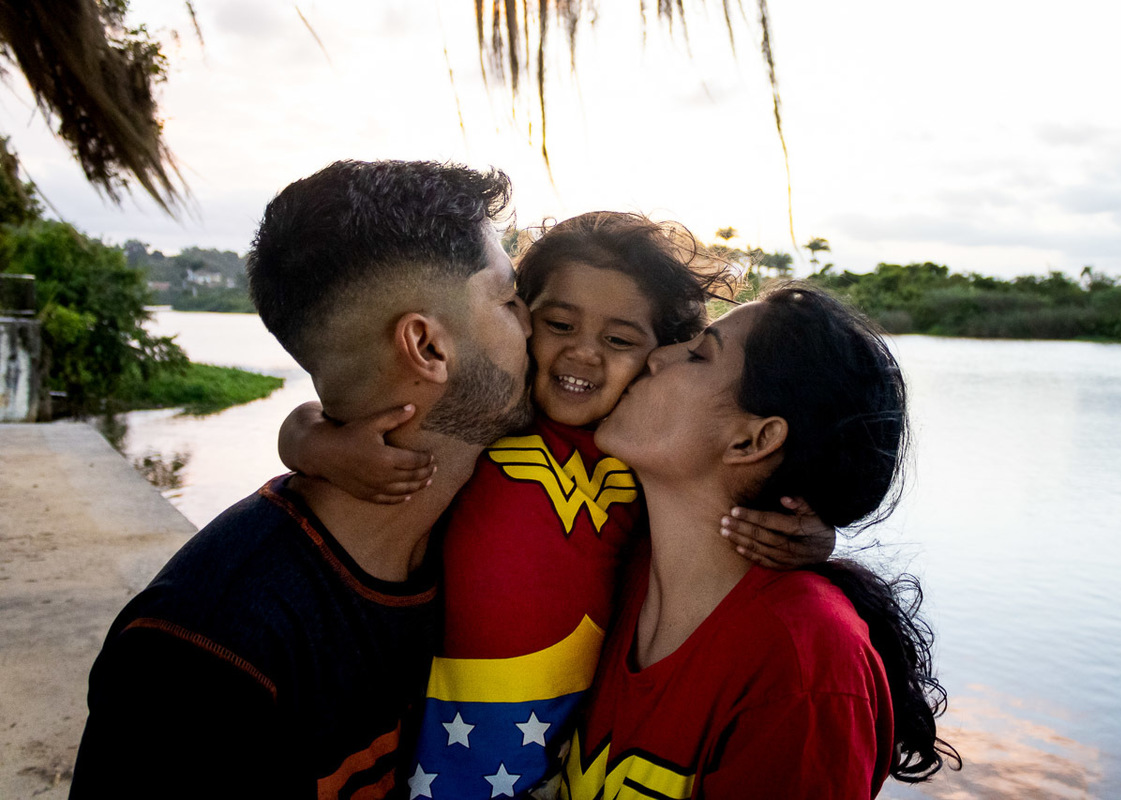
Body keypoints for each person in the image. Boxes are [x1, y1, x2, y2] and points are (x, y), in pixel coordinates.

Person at [280, 212, 836, 798]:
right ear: (521, 317)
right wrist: (316, 444)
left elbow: (716, 521)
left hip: (554, 759)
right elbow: (321, 411)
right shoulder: (495, 414)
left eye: (619, 340)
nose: (583, 354)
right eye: (560, 324)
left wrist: (817, 535)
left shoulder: (645, 456)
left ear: (660, 355)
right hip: (428, 730)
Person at [69, 160, 535, 799]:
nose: (535, 323)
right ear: (427, 348)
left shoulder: (493, 532)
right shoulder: (207, 655)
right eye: (508, 300)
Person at [558, 285, 957, 798]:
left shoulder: (806, 665)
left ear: (752, 440)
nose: (656, 357)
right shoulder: (612, 556)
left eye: (698, 354)